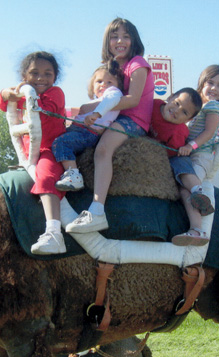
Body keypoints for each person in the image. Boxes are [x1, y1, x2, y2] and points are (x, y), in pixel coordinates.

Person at [66, 18, 154, 233]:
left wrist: (96, 107)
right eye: (114, 37)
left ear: (134, 40)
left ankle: (97, 210)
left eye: (126, 36)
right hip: (114, 117)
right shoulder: (115, 69)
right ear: (107, 42)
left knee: (103, 150)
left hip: (133, 120)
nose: (120, 41)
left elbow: (132, 100)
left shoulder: (137, 64)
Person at [0, 51, 67, 255]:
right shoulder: (24, 94)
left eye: (47, 74)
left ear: (55, 77)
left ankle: (54, 233)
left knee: (46, 176)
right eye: (34, 73)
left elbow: (43, 112)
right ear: (24, 76)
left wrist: (27, 93)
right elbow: (4, 105)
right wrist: (4, 93)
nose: (41, 78)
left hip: (51, 148)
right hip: (29, 153)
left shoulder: (55, 93)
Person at [168, 65, 219, 246]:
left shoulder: (213, 106)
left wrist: (190, 145)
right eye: (211, 82)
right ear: (202, 83)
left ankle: (198, 229)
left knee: (185, 186)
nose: (214, 88)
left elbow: (209, 132)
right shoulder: (198, 108)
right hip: (189, 154)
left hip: (200, 156)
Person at [52, 63, 124, 191]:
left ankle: (74, 175)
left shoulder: (113, 94)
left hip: (87, 132)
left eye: (109, 82)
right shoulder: (97, 101)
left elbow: (111, 100)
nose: (104, 85)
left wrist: (96, 114)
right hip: (80, 129)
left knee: (61, 142)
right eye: (99, 81)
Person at [148, 88, 202, 157]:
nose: (177, 111)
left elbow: (170, 154)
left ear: (188, 120)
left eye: (184, 112)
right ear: (170, 97)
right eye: (177, 103)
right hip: (141, 140)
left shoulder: (178, 132)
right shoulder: (154, 104)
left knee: (180, 164)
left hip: (158, 154)